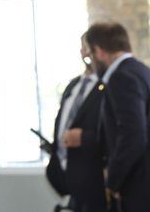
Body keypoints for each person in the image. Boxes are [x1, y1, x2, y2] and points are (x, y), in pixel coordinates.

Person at [85, 22, 150, 212]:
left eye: (90, 54)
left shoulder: (122, 78)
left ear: (99, 51)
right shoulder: (141, 70)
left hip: (138, 184)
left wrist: (113, 181)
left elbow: (133, 134)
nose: (91, 61)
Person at [45, 34, 106, 212]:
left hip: (95, 181)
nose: (82, 52)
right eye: (81, 47)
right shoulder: (73, 85)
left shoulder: (108, 86)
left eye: (86, 47)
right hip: (67, 177)